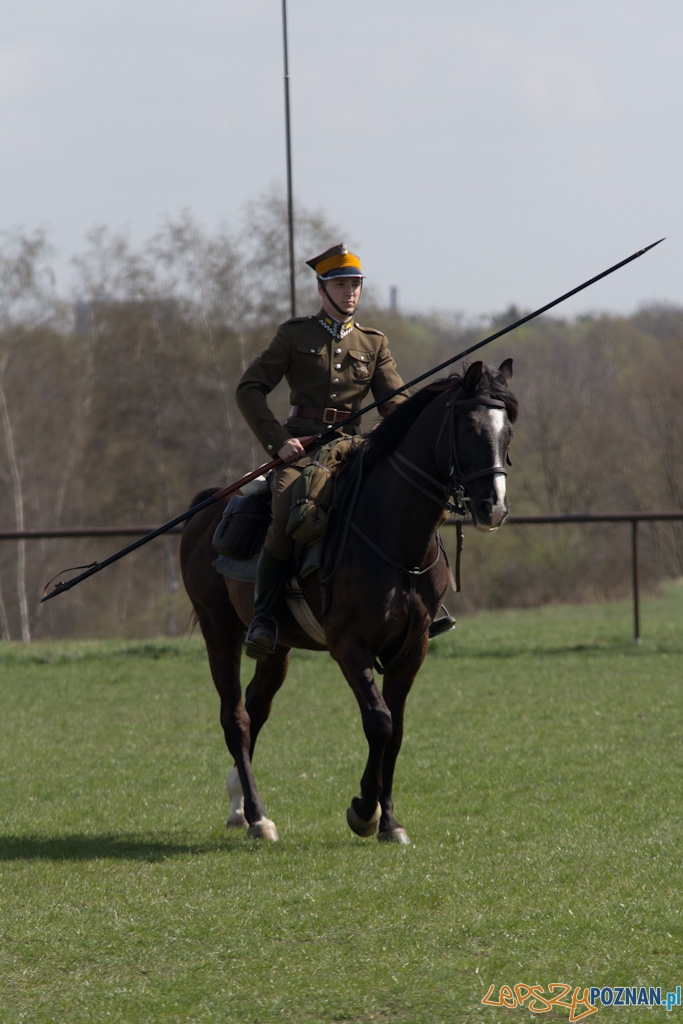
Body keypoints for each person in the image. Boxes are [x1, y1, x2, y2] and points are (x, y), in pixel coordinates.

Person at [235, 243, 408, 659]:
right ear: (321, 287)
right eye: (342, 284)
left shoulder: (373, 343)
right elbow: (250, 389)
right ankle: (265, 617)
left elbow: (397, 402)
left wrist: (393, 424)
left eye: (356, 285)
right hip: (302, 449)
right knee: (284, 510)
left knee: (399, 504)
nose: (351, 292)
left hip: (354, 448)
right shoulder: (295, 335)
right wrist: (279, 442)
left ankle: (417, 604)